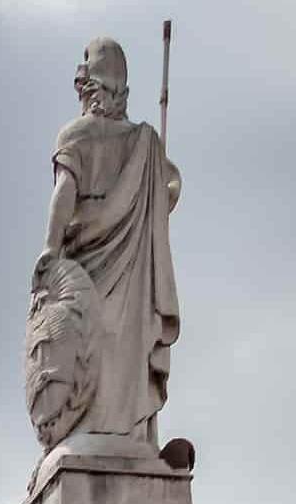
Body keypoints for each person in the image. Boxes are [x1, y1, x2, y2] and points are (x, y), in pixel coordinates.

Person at [32, 36, 179, 446]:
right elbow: (168, 193)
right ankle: (128, 434)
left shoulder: (77, 135)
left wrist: (50, 247)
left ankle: (89, 432)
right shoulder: (145, 144)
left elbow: (65, 192)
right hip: (127, 266)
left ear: (89, 86)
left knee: (90, 344)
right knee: (124, 346)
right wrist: (151, 192)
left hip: (87, 267)